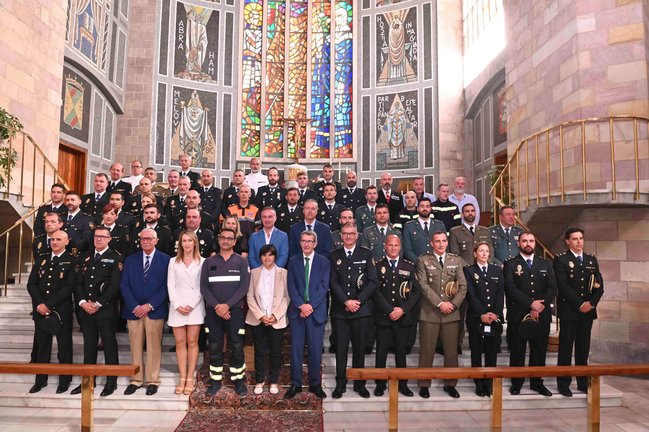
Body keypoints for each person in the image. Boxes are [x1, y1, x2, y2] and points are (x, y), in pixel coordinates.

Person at [70, 226, 123, 397]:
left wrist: (99, 303)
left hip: (105, 310)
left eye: (102, 236)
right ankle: (88, 381)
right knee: (89, 346)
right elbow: (78, 283)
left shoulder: (115, 257)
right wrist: (83, 302)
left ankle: (111, 382)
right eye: (96, 236)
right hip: (86, 310)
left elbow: (115, 285)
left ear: (109, 239)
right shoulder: (85, 257)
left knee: (109, 345)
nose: (98, 239)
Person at [503, 231, 556, 397]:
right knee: (517, 351)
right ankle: (516, 383)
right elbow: (511, 288)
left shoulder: (545, 264)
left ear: (535, 243)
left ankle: (537, 383)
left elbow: (552, 287)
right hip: (518, 315)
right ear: (519, 243)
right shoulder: (511, 264)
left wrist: (539, 306)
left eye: (531, 241)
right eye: (524, 241)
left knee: (539, 351)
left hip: (541, 315)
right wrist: (530, 304)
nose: (528, 244)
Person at [416, 231, 467, 399]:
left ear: (447, 242)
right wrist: (440, 303)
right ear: (431, 243)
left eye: (443, 241)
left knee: (451, 352)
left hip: (451, 313)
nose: (441, 244)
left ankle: (450, 384)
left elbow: (463, 286)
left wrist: (452, 304)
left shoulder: (455, 260)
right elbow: (423, 285)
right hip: (430, 312)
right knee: (427, 351)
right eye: (437, 241)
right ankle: (424, 384)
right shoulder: (423, 260)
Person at [329, 222, 378, 399]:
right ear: (341, 236)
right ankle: (340, 383)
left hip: (361, 311)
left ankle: (360, 384)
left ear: (357, 235)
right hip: (340, 312)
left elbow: (373, 281)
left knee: (359, 349)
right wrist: (346, 301)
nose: (348, 236)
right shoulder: (334, 255)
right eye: (345, 233)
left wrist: (357, 301)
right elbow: (332, 282)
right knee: (341, 349)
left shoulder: (366, 254)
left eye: (352, 233)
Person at [120, 228, 171, 396]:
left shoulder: (166, 260)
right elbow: (124, 285)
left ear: (156, 240)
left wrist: (149, 305)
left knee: (153, 346)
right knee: (135, 346)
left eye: (149, 238)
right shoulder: (130, 260)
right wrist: (135, 306)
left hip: (154, 310)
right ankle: (135, 380)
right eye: (142, 239)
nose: (146, 241)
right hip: (133, 310)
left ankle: (152, 380)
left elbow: (166, 286)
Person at [200, 228, 251, 396]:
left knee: (236, 346)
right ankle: (215, 381)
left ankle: (239, 381)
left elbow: (243, 288)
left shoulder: (241, 262)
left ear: (235, 241)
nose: (226, 241)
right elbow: (204, 288)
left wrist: (227, 306)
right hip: (213, 312)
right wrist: (218, 307)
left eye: (230, 238)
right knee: (214, 347)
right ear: (219, 239)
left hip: (234, 312)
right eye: (223, 238)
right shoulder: (209, 262)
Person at [554, 227, 604, 397]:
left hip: (587, 312)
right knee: (566, 348)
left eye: (581, 238)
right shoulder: (561, 260)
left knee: (583, 348)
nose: (579, 242)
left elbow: (599, 285)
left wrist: (591, 303)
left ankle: (582, 382)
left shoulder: (591, 259)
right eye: (574, 239)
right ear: (567, 241)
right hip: (570, 311)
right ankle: (563, 383)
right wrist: (579, 303)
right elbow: (563, 286)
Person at [27, 230, 75, 394]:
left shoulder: (71, 261)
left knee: (64, 348)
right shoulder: (41, 259)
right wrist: (40, 304)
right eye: (52, 239)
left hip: (61, 311)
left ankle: (65, 380)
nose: (54, 242)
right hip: (41, 311)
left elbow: (68, 287)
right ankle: (40, 380)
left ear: (66, 242)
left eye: (58, 239)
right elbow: (32, 284)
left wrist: (49, 305)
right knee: (42, 347)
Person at [373, 234, 420, 397]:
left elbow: (416, 292)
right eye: (390, 245)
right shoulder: (378, 266)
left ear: (400, 247)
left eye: (396, 245)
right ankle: (379, 384)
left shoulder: (409, 266)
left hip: (402, 317)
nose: (393, 248)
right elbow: (375, 291)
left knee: (401, 352)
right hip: (383, 317)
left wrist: (402, 310)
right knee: (381, 352)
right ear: (385, 246)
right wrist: (389, 310)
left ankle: (403, 384)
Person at [285, 231, 330, 399]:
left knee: (315, 350)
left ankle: (315, 384)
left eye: (310, 241)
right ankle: (296, 384)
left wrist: (309, 306)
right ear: (300, 242)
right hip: (298, 313)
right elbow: (291, 286)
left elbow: (324, 286)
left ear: (315, 243)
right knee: (296, 350)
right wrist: (301, 306)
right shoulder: (293, 260)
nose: (306, 244)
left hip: (315, 312)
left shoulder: (324, 262)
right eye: (303, 241)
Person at [449, 203, 494, 352]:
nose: (470, 213)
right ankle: (457, 343)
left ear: (476, 212)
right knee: (461, 313)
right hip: (462, 276)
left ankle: (483, 341)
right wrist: (470, 270)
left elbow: (490, 252)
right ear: (462, 214)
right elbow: (455, 254)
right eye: (467, 211)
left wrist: (483, 269)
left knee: (480, 309)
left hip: (482, 277)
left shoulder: (484, 231)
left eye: (472, 210)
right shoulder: (455, 231)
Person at [245, 244, 289, 395]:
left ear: (275, 257)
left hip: (277, 319)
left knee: (275, 352)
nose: (267, 258)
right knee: (260, 352)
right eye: (264, 255)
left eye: (270, 255)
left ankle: (274, 381)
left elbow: (286, 297)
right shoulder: (254, 273)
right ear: (260, 257)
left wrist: (275, 315)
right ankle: (259, 380)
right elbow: (249, 296)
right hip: (258, 319)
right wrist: (260, 315)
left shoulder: (283, 273)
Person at [167, 230, 206, 395]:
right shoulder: (173, 262)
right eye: (184, 241)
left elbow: (202, 286)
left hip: (195, 307)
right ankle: (182, 377)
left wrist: (190, 304)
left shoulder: (202, 262)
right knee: (180, 342)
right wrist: (176, 304)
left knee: (192, 341)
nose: (187, 244)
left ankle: (190, 377)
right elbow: (170, 285)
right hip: (177, 307)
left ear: (195, 243)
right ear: (180, 243)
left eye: (190, 241)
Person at [464, 242, 504, 397]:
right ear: (475, 253)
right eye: (481, 251)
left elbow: (500, 293)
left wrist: (496, 313)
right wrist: (482, 313)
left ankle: (489, 382)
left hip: (493, 318)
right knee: (476, 352)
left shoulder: (496, 270)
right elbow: (471, 294)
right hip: (476, 317)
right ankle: (479, 383)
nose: (484, 253)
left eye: (487, 251)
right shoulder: (468, 270)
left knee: (492, 352)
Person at [63, 191, 94, 256]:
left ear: (79, 202)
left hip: (77, 255)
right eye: (67, 200)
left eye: (73, 200)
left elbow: (86, 239)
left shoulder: (87, 218)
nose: (70, 202)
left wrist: (65, 244)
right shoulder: (60, 217)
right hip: (60, 254)